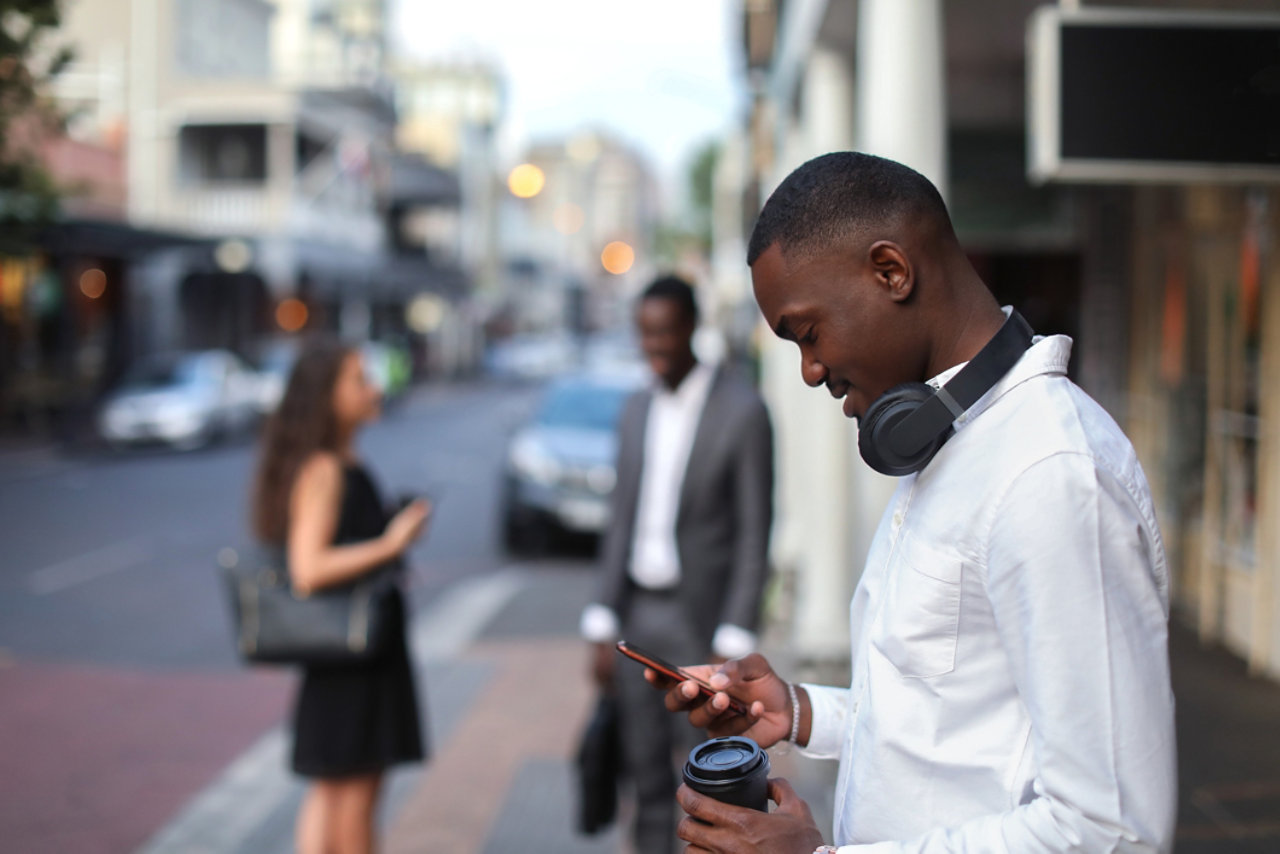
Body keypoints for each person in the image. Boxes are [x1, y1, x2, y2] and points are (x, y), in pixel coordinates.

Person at [652, 152, 1177, 853]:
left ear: (891, 271)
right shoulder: (958, 441)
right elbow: (956, 719)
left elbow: (1113, 828)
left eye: (808, 334)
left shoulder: (1052, 476)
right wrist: (803, 713)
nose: (811, 372)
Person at [580, 274, 775, 853]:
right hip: (638, 613)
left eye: (664, 334)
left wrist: (734, 635)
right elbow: (620, 518)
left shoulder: (742, 409)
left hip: (703, 619)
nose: (653, 347)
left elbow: (754, 529)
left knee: (706, 777)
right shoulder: (635, 408)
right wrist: (600, 618)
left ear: (691, 327)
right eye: (644, 334)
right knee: (642, 773)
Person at [250, 340, 431, 854]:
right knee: (352, 804)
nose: (373, 388)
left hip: (355, 656)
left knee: (332, 796)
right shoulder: (326, 468)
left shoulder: (336, 461)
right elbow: (308, 569)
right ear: (324, 396)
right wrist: (390, 543)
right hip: (354, 660)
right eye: (358, 379)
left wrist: (389, 547)